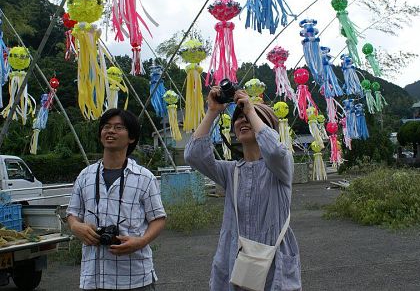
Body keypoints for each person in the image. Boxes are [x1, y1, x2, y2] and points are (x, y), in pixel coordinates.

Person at [184, 87, 302, 290]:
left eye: (249, 116)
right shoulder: (231, 171)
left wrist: (250, 110)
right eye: (238, 118)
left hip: (274, 259)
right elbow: (194, 156)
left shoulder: (280, 165)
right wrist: (212, 111)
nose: (242, 120)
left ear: (268, 129)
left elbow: (274, 151)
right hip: (234, 260)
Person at [67, 108, 166, 290]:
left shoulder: (144, 177)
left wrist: (141, 241)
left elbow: (158, 219)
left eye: (118, 127)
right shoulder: (85, 176)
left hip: (134, 277)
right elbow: (72, 213)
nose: (110, 131)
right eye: (106, 127)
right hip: (93, 277)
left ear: (132, 138)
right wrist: (75, 226)